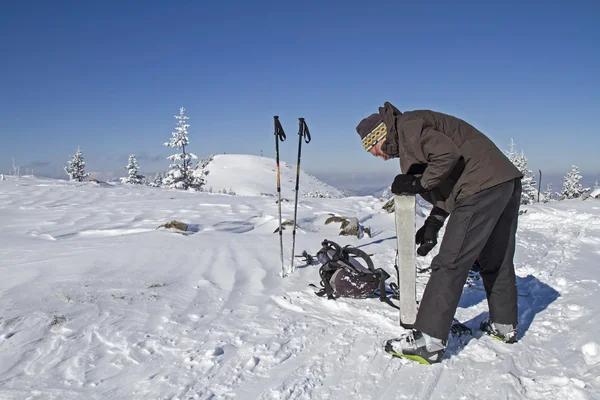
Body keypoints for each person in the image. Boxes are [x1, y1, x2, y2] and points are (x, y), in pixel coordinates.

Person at [356, 101, 523, 364]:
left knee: (450, 263)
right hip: (504, 183)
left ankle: (429, 341)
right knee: (497, 259)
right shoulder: (410, 135)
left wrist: (417, 183)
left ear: (380, 135)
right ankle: (503, 325)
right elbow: (449, 179)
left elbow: (447, 156)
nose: (377, 155)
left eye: (372, 148)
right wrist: (433, 223)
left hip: (480, 186)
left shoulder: (408, 127)